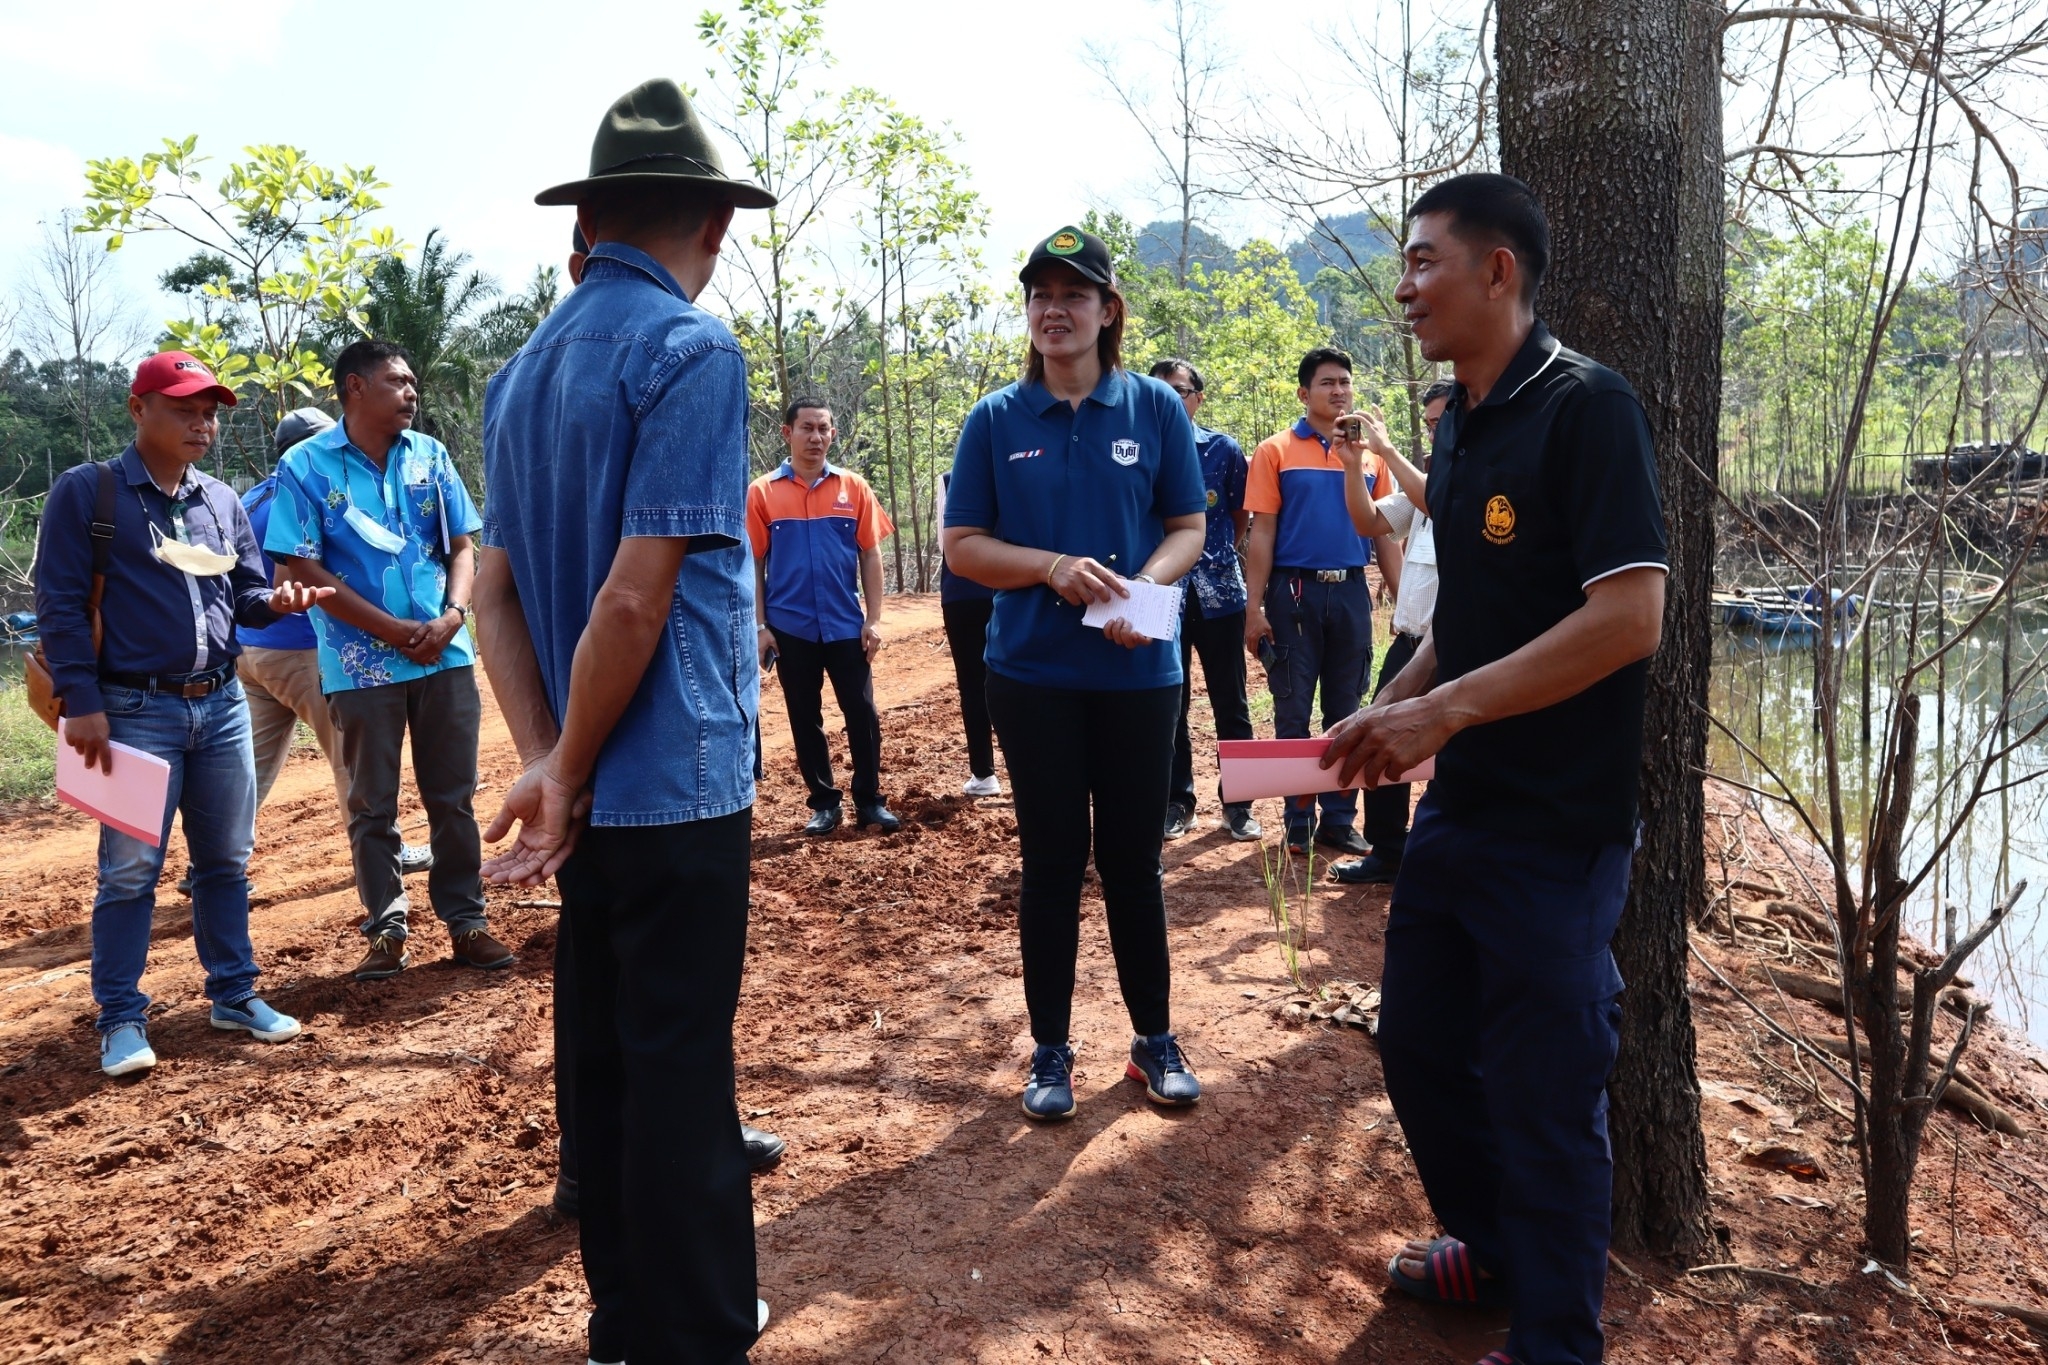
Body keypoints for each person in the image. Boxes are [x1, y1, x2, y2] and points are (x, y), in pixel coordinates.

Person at [1320, 173, 1668, 1365]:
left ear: (1496, 271)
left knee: (1542, 1093)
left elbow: (1628, 620)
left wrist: (1443, 713)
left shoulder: (1587, 409)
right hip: (1461, 811)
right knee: (1417, 1045)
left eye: (1422, 261)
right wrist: (1387, 711)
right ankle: (1498, 1250)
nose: (1405, 285)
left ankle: (1558, 1339)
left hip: (1559, 832)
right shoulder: (1457, 427)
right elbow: (1462, 616)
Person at [474, 77, 775, 1361]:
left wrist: (549, 761)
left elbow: (492, 594)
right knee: (678, 1066)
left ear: (590, 220)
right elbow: (637, 597)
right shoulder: (690, 352)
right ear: (709, 226)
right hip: (675, 785)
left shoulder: (518, 370)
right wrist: (582, 762)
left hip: (588, 791)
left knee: (602, 1052)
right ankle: (696, 1330)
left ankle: (620, 1322)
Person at [943, 225, 1208, 1122]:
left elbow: (1188, 527)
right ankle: (1050, 1049)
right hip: (1032, 676)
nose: (1054, 310)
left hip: (1140, 676)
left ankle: (1152, 1040)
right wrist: (1051, 567)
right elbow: (963, 546)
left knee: (1134, 864)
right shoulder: (993, 419)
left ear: (1108, 311)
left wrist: (1144, 588)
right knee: (1051, 864)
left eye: (1074, 295)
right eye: (1039, 295)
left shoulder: (1156, 411)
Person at [32, 351, 331, 1077]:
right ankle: (121, 1019)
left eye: (211, 410)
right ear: (139, 410)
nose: (204, 422)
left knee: (226, 860)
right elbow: (60, 603)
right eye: (185, 407)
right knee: (130, 870)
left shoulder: (221, 502)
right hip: (132, 709)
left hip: (221, 702)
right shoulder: (89, 493)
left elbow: (248, 597)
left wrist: (281, 602)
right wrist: (84, 700)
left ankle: (234, 993)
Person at [266, 341, 510, 982]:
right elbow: (302, 564)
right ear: (355, 387)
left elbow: (462, 546)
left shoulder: (431, 456)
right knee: (371, 804)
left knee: (453, 798)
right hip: (360, 666)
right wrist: (392, 629)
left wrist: (454, 616)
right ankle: (387, 930)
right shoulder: (305, 467)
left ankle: (467, 922)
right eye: (397, 381)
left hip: (444, 654)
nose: (411, 393)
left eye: (413, 382)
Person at [234, 407, 433, 873]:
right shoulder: (315, 494)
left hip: (252, 652)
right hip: (305, 652)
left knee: (247, 773)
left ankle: (215, 864)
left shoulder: (253, 498)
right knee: (354, 761)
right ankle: (383, 858)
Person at [1242, 347, 1399, 855]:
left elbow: (1386, 535)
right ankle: (1296, 816)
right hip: (1294, 592)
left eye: (1345, 383)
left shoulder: (1372, 457)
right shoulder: (1277, 450)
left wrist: (1402, 602)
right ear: (1303, 393)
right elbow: (1261, 533)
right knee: (1291, 707)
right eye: (1327, 383)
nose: (1339, 391)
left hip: (1352, 591)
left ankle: (1338, 818)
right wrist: (1254, 606)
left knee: (1346, 705)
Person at [746, 398, 900, 836]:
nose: (816, 437)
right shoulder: (762, 493)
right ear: (787, 433)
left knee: (862, 711)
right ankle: (824, 804)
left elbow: (870, 555)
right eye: (807, 428)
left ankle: (870, 801)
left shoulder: (854, 487)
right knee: (804, 715)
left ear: (833, 434)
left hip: (846, 625)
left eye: (824, 429)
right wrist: (760, 627)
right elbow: (753, 564)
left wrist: (875, 619)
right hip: (789, 627)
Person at [1330, 379, 1452, 885]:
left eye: (1444, 421)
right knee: (1382, 737)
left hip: (1451, 649)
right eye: (1429, 425)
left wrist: (1387, 449)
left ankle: (1441, 856)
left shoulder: (1464, 489)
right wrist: (1355, 466)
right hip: (1407, 643)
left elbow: (1439, 500)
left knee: (1448, 752)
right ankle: (1388, 850)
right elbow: (1366, 521)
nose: (1437, 432)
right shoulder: (1417, 489)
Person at [1149, 358, 1258, 843]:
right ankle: (1178, 800)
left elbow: (1239, 518)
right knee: (1167, 701)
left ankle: (1239, 805)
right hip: (1158, 595)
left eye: (1180, 391)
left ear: (1198, 397)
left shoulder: (1223, 450)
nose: (1171, 399)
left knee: (1229, 701)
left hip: (1220, 593)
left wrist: (1210, 558)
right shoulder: (1134, 450)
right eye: (1160, 390)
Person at [937, 470, 1000, 797]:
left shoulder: (949, 480)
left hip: (962, 592)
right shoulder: (1015, 471)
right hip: (1010, 586)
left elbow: (943, 543)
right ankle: (1026, 769)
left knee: (972, 683)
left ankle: (984, 773)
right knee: (1017, 678)